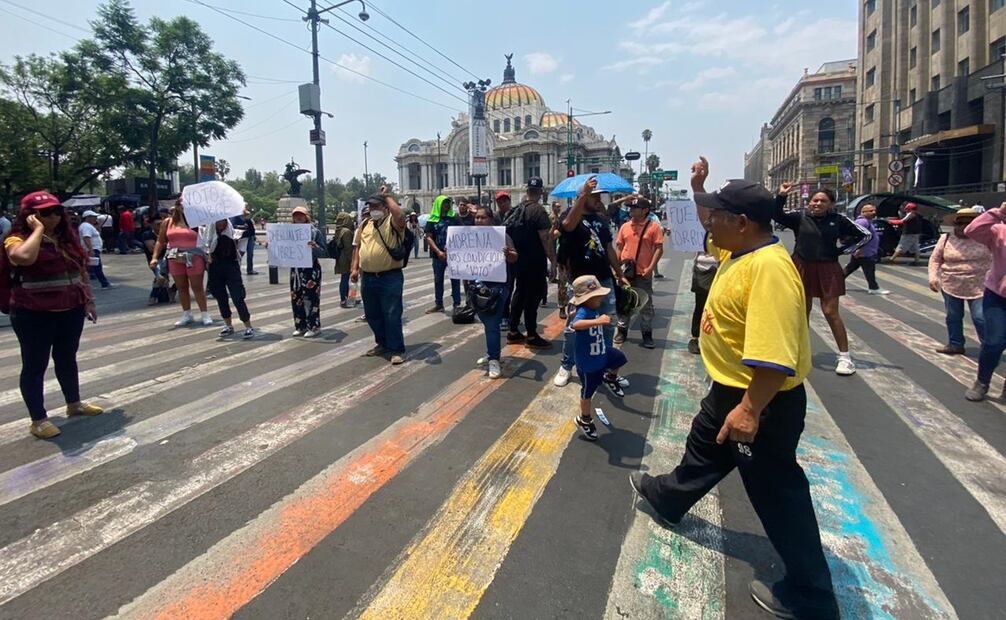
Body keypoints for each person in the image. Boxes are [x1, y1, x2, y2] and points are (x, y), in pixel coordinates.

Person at [628, 173, 839, 620]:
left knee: (776, 490)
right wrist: (697, 185)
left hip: (759, 399)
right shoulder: (741, 249)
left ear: (742, 221)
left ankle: (811, 593)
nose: (709, 223)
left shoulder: (769, 269)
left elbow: (774, 355)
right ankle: (668, 497)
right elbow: (705, 217)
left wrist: (749, 409)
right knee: (704, 447)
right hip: (730, 389)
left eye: (718, 215)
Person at [3, 191, 103, 439]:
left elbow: (80, 271)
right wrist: (37, 231)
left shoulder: (65, 239)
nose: (54, 216)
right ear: (30, 216)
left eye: (57, 211)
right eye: (45, 213)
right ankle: (38, 419)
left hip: (70, 309)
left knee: (67, 358)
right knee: (35, 365)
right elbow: (23, 258)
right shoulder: (16, 239)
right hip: (33, 312)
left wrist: (88, 301)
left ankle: (74, 404)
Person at [773, 183, 868, 376]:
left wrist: (843, 251)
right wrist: (781, 196)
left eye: (823, 201)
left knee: (830, 311)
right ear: (809, 203)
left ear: (831, 204)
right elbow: (776, 215)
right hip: (802, 266)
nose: (818, 203)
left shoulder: (838, 219)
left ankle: (845, 357)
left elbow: (864, 236)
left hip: (828, 268)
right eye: (815, 200)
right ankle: (801, 351)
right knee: (802, 312)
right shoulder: (799, 217)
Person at [553, 176, 630, 396]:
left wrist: (618, 273)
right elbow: (567, 226)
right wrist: (583, 194)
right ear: (583, 197)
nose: (599, 200)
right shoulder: (571, 215)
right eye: (594, 196)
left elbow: (608, 248)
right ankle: (567, 365)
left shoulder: (601, 219)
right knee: (574, 328)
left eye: (599, 196)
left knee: (607, 324)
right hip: (581, 284)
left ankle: (603, 366)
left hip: (603, 281)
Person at [351, 188, 408, 365]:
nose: (372, 209)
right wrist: (354, 268)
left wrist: (387, 196)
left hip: (390, 277)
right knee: (372, 314)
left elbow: (400, 215)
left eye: (376, 205)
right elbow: (357, 247)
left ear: (385, 208)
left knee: (391, 313)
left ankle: (396, 349)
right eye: (370, 206)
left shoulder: (392, 223)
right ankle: (382, 343)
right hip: (368, 277)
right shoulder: (364, 225)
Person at [570, 275, 629, 441]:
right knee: (587, 393)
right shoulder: (583, 311)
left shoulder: (593, 309)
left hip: (602, 352)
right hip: (589, 363)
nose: (601, 298)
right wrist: (598, 321)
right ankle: (585, 419)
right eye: (597, 297)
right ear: (586, 299)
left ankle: (610, 377)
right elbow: (575, 325)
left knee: (619, 358)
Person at [504, 176, 556, 349]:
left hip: (518, 260)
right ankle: (532, 335)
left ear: (527, 191)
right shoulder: (539, 211)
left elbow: (506, 235)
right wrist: (553, 262)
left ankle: (513, 331)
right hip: (535, 261)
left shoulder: (515, 210)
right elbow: (545, 239)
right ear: (541, 192)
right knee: (532, 298)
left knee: (519, 293)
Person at [929, 208, 989, 356]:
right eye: (960, 223)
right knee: (953, 316)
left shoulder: (986, 237)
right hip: (951, 282)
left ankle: (989, 346)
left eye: (969, 222)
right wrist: (933, 277)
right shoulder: (946, 238)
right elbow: (935, 259)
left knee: (980, 317)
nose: (964, 226)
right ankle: (955, 344)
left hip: (980, 283)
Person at [963, 203, 1006, 401]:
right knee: (994, 342)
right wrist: (999, 212)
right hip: (998, 295)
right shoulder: (999, 231)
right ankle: (982, 381)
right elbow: (972, 230)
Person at [470, 205, 519, 379]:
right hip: (478, 286)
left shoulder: (501, 236)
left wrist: (508, 253)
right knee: (486, 322)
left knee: (492, 324)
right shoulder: (469, 236)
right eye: (476, 217)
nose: (479, 220)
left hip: (498, 287)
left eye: (482, 217)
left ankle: (494, 359)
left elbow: (515, 257)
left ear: (491, 219)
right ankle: (491, 351)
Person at [150, 198, 212, 327]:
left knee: (197, 286)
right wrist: (155, 257)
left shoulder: (197, 222)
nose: (184, 207)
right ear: (177, 206)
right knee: (181, 286)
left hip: (194, 255)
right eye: (181, 205)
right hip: (175, 256)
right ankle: (187, 313)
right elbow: (160, 241)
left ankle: (205, 313)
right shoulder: (168, 222)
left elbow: (207, 238)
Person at [615, 196, 664, 348]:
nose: (631, 210)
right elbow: (619, 248)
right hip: (625, 272)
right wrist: (617, 269)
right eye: (630, 208)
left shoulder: (653, 227)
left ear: (645, 211)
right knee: (624, 302)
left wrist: (650, 268)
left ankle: (647, 335)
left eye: (635, 208)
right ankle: (622, 331)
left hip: (643, 273)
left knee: (645, 304)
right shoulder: (625, 227)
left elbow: (658, 249)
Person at [202, 218, 255, 339]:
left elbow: (250, 232)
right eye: (218, 222)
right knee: (221, 297)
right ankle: (228, 325)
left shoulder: (232, 233)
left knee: (238, 297)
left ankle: (248, 326)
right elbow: (204, 246)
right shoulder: (209, 236)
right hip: (215, 268)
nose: (221, 224)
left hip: (231, 266)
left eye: (223, 222)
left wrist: (246, 218)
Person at [288, 205, 328, 338]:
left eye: (301, 215)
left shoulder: (315, 232)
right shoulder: (288, 232)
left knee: (311, 298)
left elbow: (323, 252)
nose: (298, 217)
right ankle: (300, 325)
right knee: (296, 297)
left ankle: (314, 326)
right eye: (295, 215)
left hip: (311, 269)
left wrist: (315, 247)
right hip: (296, 269)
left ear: (306, 217)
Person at [424, 195, 462, 313]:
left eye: (448, 203)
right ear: (438, 205)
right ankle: (439, 304)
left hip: (453, 255)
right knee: (438, 280)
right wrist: (438, 252)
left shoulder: (454, 218)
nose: (446, 205)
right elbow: (429, 238)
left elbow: (462, 233)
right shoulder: (432, 220)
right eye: (444, 203)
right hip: (438, 255)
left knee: (455, 280)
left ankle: (457, 303)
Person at [843, 203, 889, 295]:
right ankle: (873, 288)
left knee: (850, 268)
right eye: (871, 211)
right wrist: (858, 249)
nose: (873, 212)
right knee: (869, 270)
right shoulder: (863, 222)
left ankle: (834, 283)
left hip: (865, 251)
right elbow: (857, 236)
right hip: (864, 252)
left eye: (874, 210)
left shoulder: (867, 221)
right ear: (863, 212)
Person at [688, 234, 719, 355]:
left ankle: (713, 340)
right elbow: (687, 241)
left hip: (718, 269)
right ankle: (695, 338)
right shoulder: (697, 230)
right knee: (700, 307)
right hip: (701, 270)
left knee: (716, 308)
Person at [78, 210, 114, 289]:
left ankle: (102, 282)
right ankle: (104, 283)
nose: (96, 218)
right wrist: (91, 249)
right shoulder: (86, 226)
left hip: (93, 248)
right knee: (97, 267)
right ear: (88, 218)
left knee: (93, 267)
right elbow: (86, 237)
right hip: (92, 249)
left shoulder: (88, 225)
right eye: (94, 217)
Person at [332, 212, 356, 308]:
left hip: (340, 257)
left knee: (345, 279)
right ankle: (346, 299)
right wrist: (354, 262)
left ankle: (347, 298)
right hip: (346, 258)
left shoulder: (338, 230)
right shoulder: (346, 231)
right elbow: (349, 248)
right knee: (347, 279)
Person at [237, 209, 259, 275]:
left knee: (250, 254)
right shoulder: (239, 220)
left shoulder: (250, 221)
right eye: (246, 215)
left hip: (249, 237)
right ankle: (237, 269)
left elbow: (252, 230)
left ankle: (249, 269)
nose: (247, 216)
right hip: (244, 238)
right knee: (241, 253)